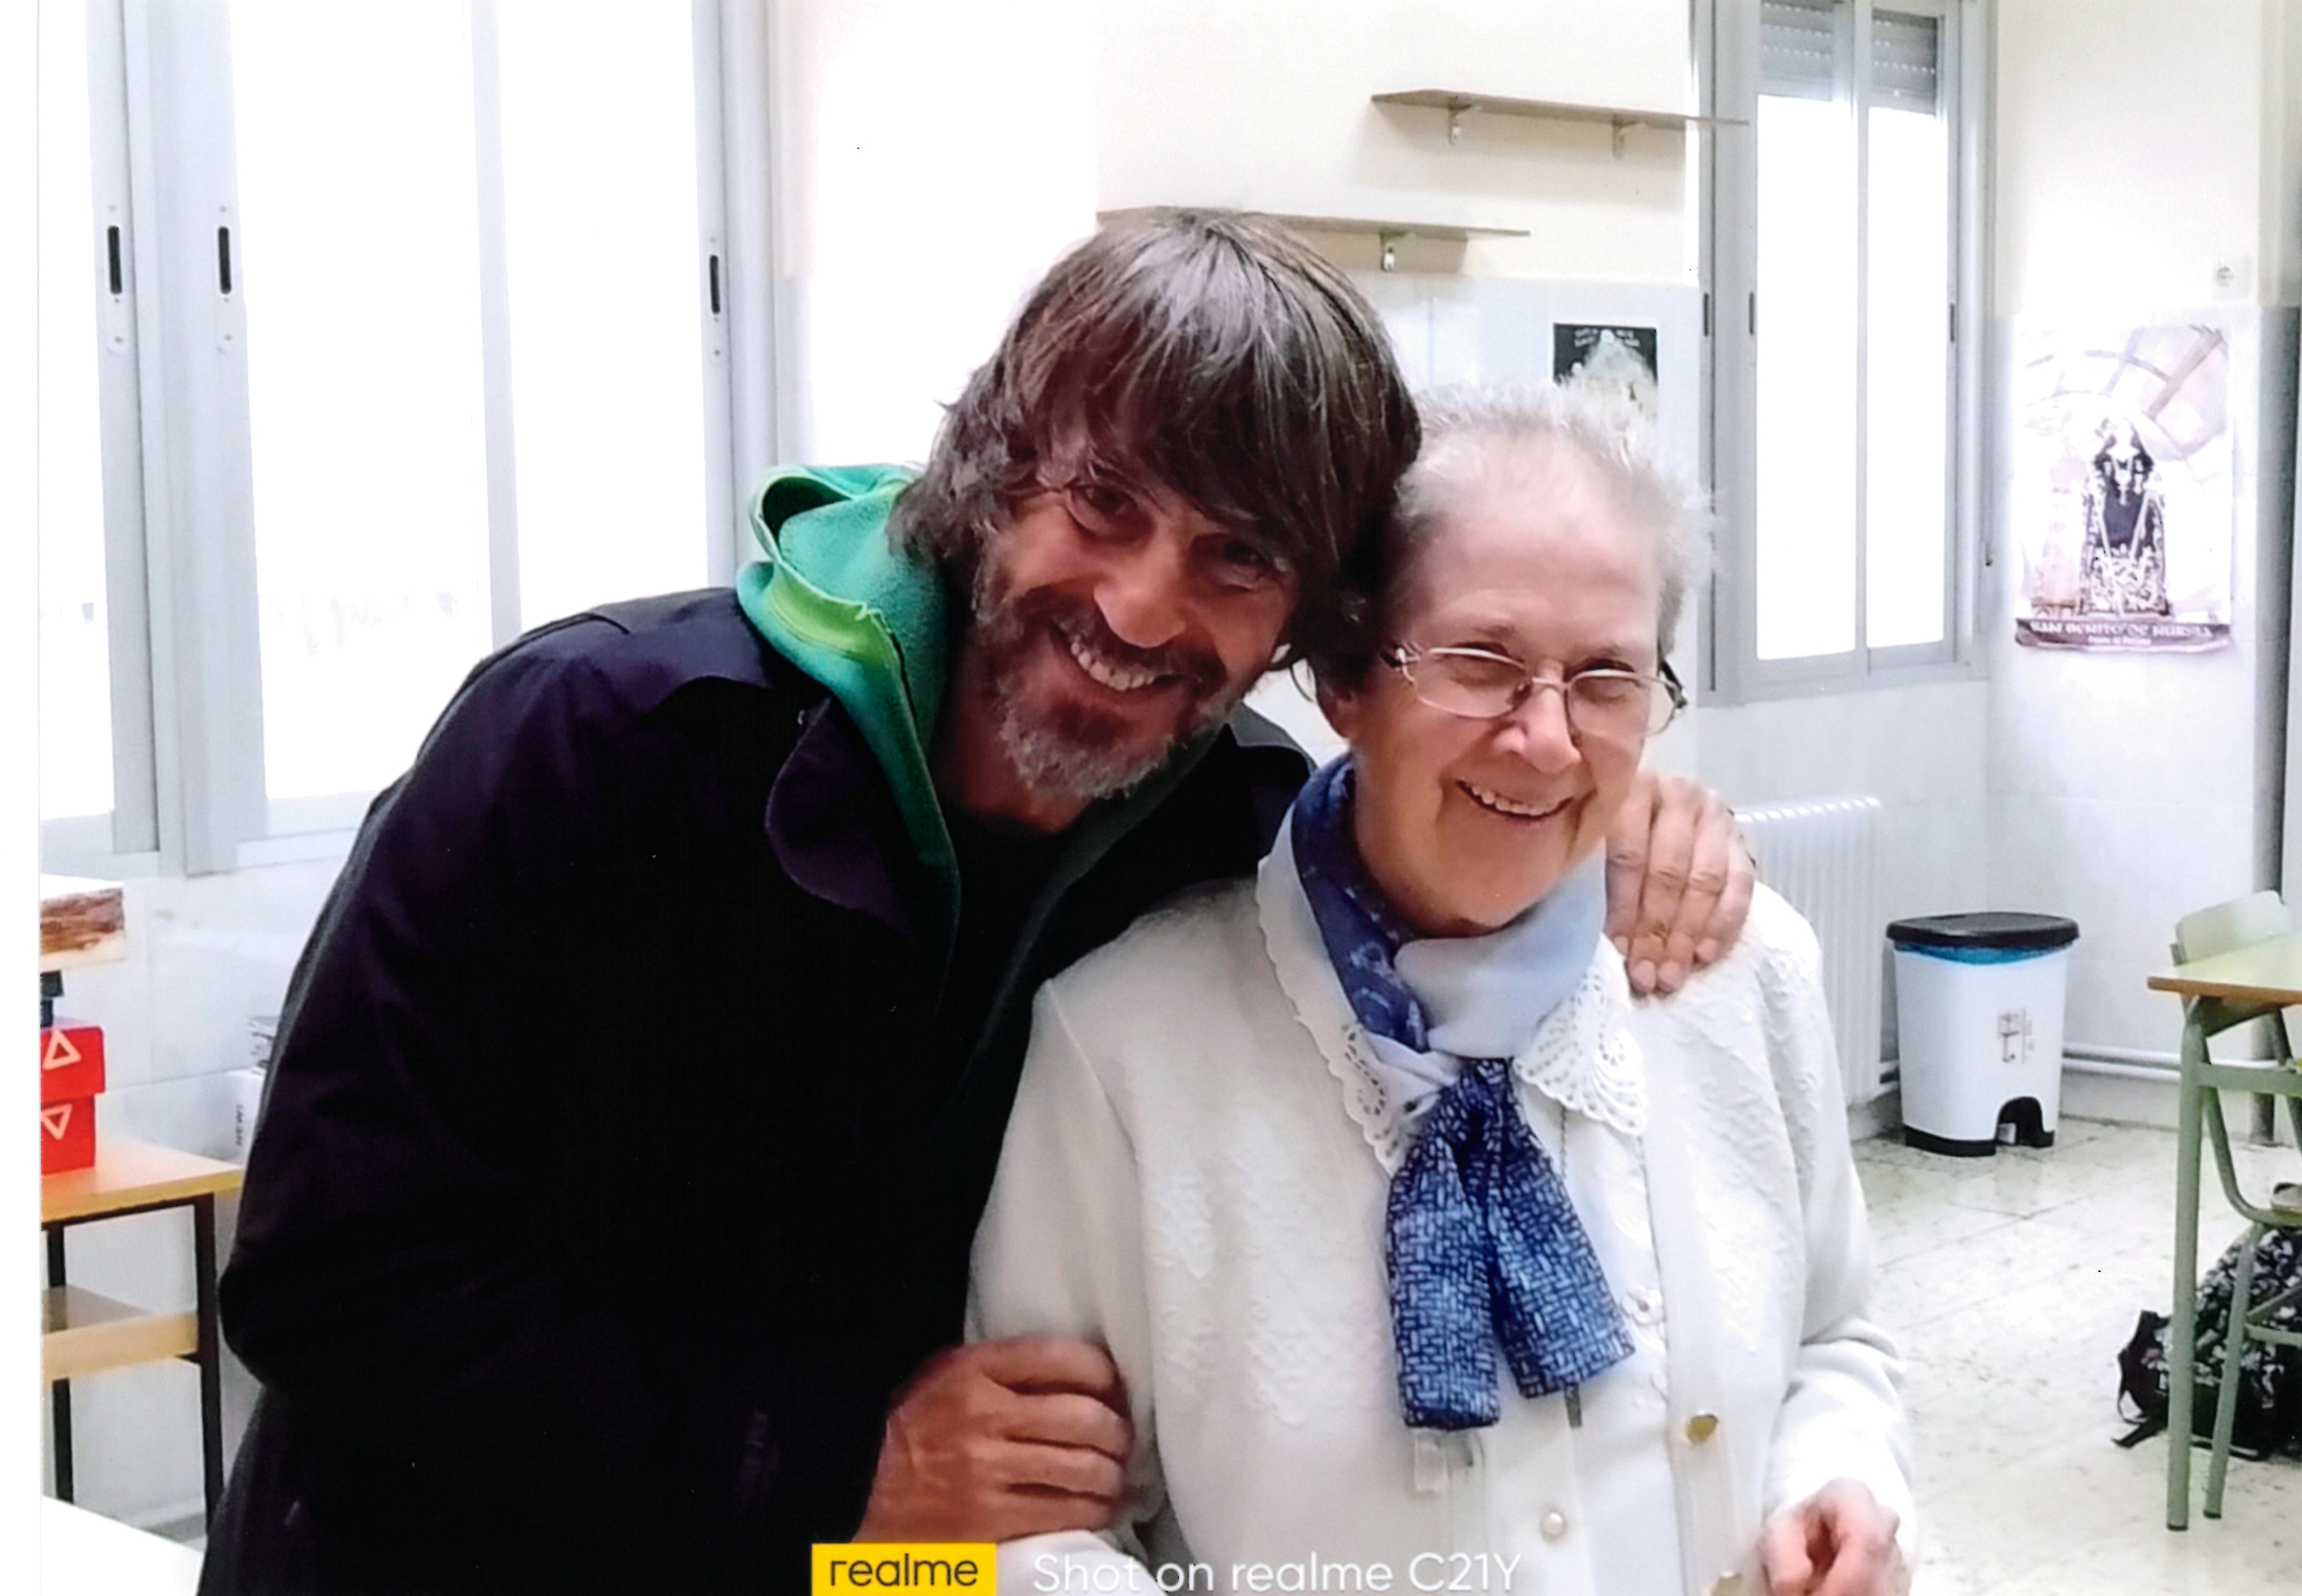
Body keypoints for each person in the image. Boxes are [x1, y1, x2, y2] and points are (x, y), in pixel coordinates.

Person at [200, 213, 1755, 1595]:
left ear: (1308, 622)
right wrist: (820, 1467)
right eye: (1102, 504)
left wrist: (1616, 817)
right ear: (993, 471)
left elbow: (1453, 825)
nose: (1143, 606)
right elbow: (324, 1284)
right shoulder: (594, 742)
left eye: (1238, 557)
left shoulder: (1228, 825)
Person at [972, 384, 1912, 1596]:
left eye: (1607, 678)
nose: (1548, 739)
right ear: (1347, 679)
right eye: (1483, 662)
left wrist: (1841, 1480)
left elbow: (1837, 1338)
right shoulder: (1125, 1050)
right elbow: (1020, 1539)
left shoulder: (1741, 971)